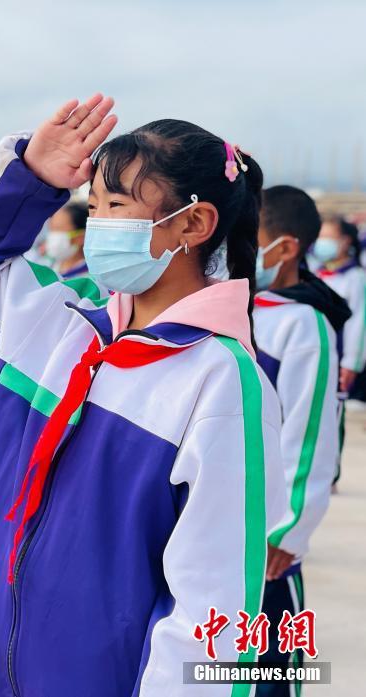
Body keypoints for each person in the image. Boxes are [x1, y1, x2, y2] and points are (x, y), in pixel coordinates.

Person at [0, 94, 286, 696]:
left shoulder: (222, 382)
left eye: (117, 206)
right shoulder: (61, 327)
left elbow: (214, 605)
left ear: (194, 224)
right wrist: (30, 178)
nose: (97, 225)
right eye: (93, 205)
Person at [252, 185, 347, 697]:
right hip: (218, 528)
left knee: (267, 671)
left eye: (248, 238)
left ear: (285, 248)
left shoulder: (304, 323)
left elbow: (309, 433)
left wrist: (287, 529)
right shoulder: (238, 307)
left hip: (268, 540)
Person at [313, 216, 366, 394]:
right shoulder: (316, 273)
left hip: (339, 356)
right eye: (320, 237)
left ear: (345, 241)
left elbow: (359, 323)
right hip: (317, 354)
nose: (322, 242)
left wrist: (351, 363)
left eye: (328, 237)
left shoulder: (356, 277)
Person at [40, 201, 89, 277]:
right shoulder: (45, 267)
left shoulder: (88, 278)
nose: (51, 236)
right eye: (51, 228)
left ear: (80, 238)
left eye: (58, 229)